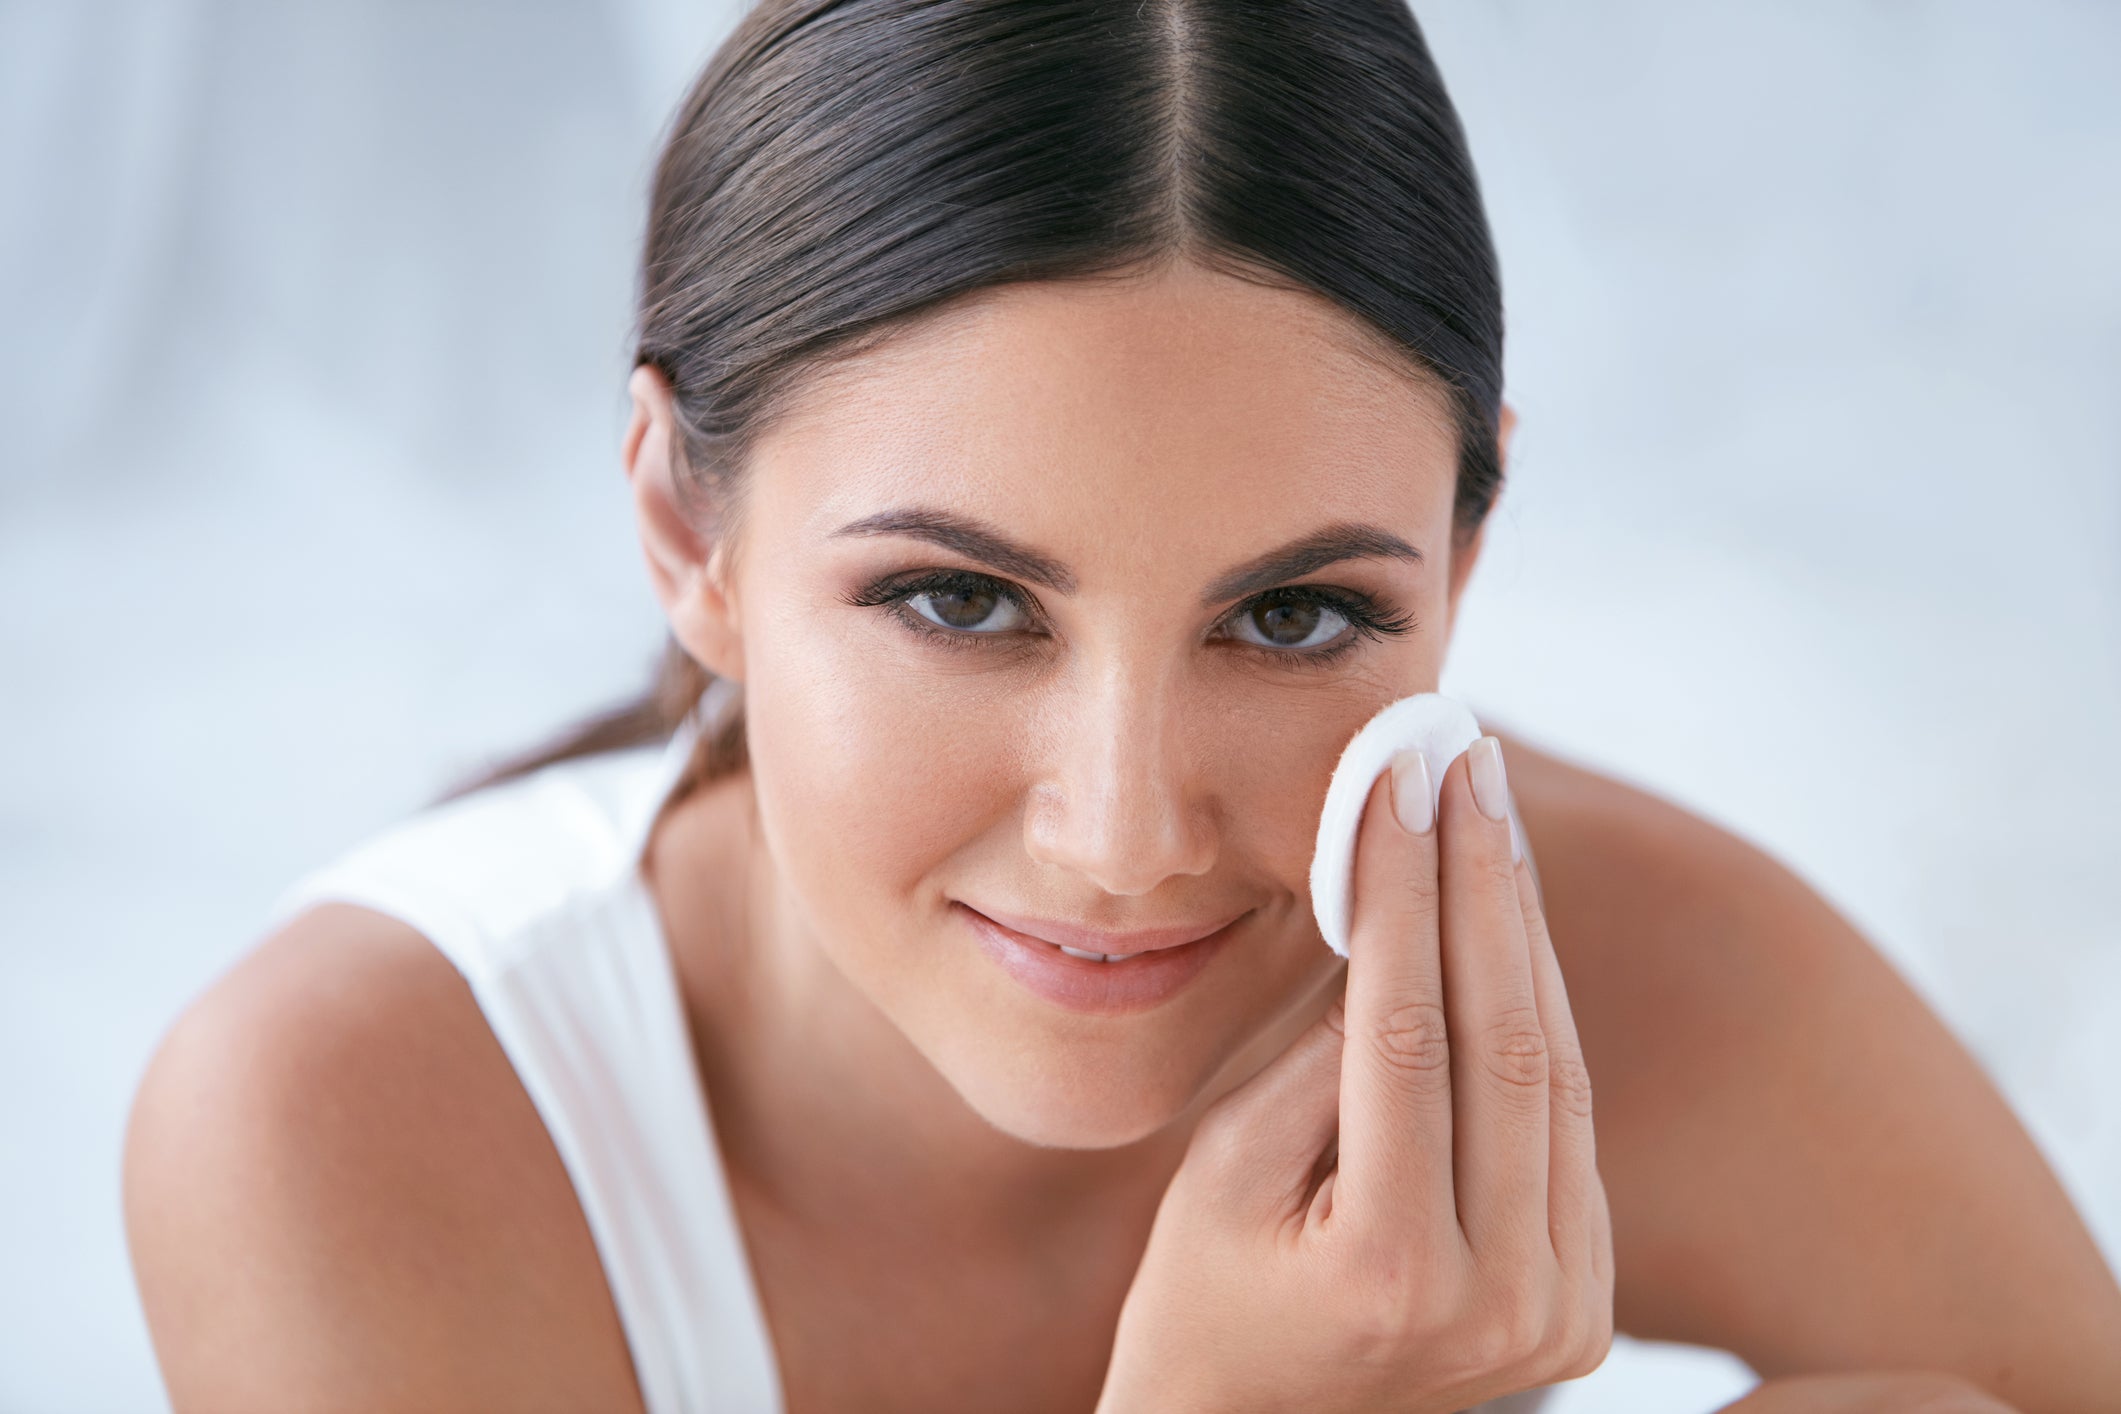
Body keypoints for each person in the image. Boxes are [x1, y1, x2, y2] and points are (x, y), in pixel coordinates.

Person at [120, 1, 2121, 1410]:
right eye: (958, 598)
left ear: (1463, 556)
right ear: (684, 530)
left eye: (1293, 614)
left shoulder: (1625, 976)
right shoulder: (348, 1122)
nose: (1123, 831)